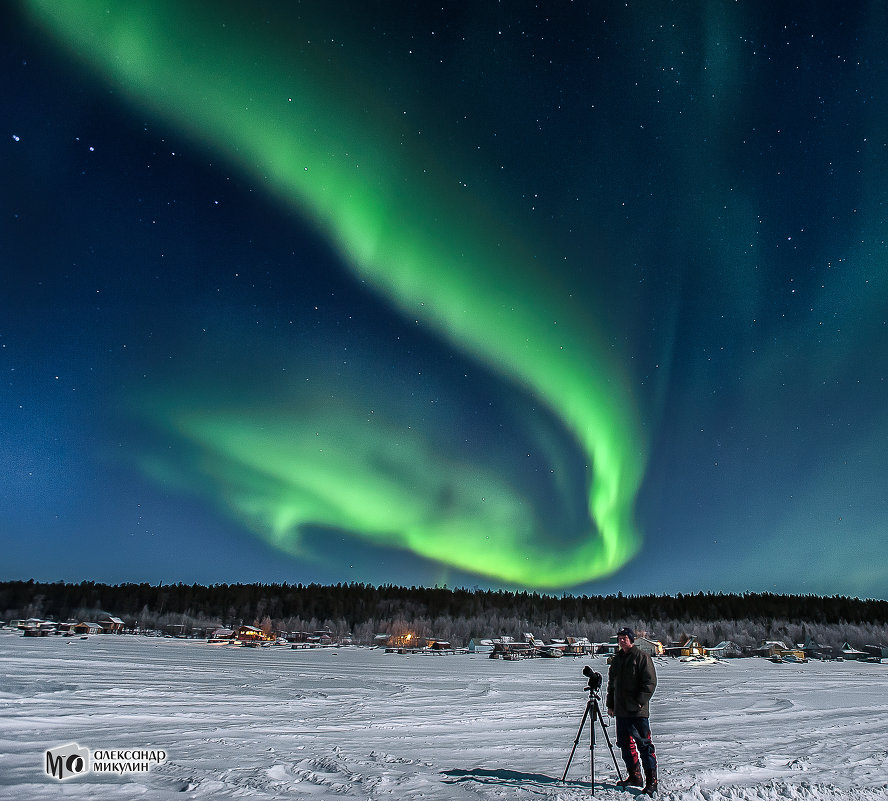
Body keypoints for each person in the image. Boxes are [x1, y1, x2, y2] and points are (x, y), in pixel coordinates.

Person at [606, 627, 658, 795]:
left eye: (625, 638)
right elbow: (611, 685)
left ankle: (652, 781)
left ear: (631, 639)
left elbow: (650, 683)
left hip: (637, 712)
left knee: (644, 745)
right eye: (619, 638)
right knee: (624, 744)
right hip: (621, 711)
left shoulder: (642, 657)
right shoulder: (617, 659)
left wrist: (639, 702)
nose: (622, 641)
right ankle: (635, 776)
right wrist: (611, 704)